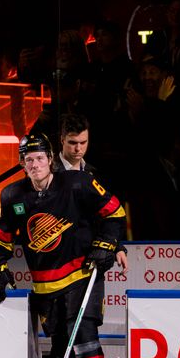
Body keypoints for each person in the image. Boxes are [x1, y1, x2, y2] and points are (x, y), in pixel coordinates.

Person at [0, 133, 125, 358]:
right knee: (64, 351)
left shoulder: (78, 183)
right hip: (45, 285)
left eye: (39, 158)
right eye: (28, 160)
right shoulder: (13, 197)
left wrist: (108, 243)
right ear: (23, 164)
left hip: (81, 274)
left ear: (50, 159)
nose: (34, 164)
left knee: (83, 334)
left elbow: (114, 212)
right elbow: (1, 235)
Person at [55, 113, 129, 273]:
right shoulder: (48, 174)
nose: (78, 149)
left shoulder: (93, 174)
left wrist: (116, 246)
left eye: (83, 142)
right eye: (72, 142)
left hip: (91, 261)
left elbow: (103, 217)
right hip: (57, 263)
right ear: (62, 140)